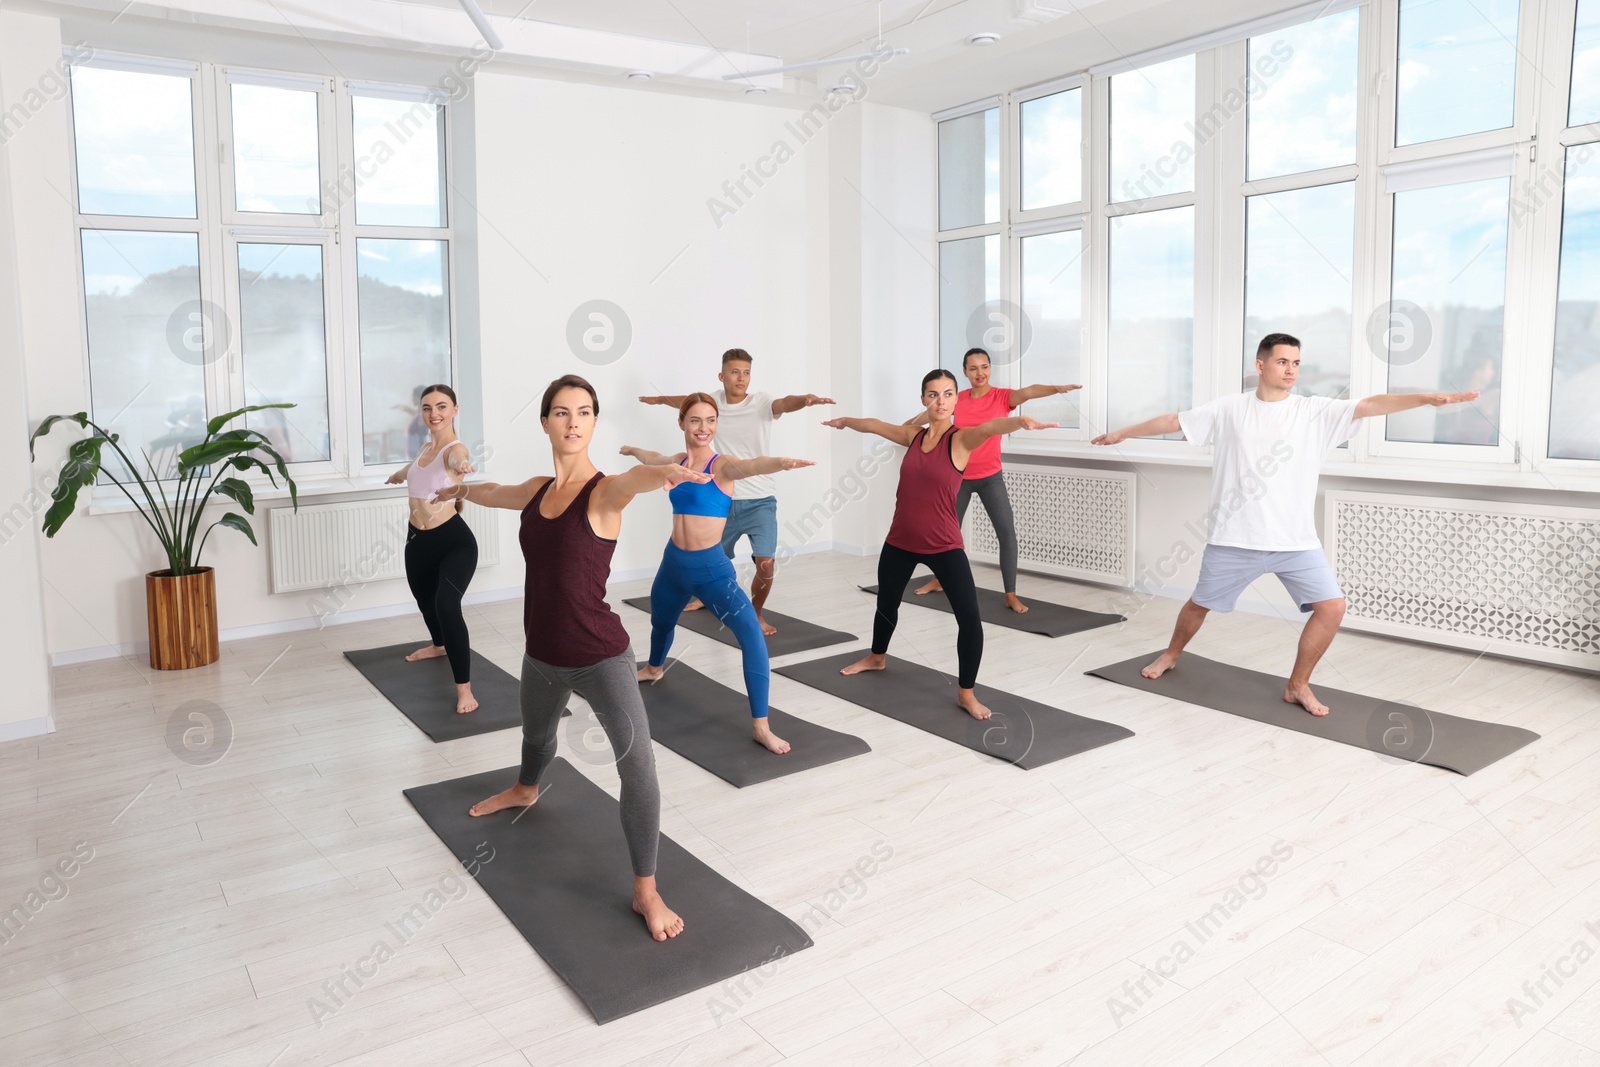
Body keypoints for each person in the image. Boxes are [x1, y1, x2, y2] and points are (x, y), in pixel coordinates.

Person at [435, 374, 708, 941]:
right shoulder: (536, 491)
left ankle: (646, 889)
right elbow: (494, 492)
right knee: (536, 739)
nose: (574, 421)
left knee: (638, 769)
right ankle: (527, 788)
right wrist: (459, 491)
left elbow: (635, 479)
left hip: (600, 655)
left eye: (584, 412)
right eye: (562, 412)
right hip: (541, 653)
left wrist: (663, 473)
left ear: (594, 422)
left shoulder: (603, 491)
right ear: (545, 422)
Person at [1091, 332, 1480, 716]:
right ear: (1260, 365)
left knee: (1332, 607)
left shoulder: (1314, 411)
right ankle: (1172, 654)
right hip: (1235, 538)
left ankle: (1298, 684)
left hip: (1295, 542)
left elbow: (1372, 404)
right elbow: (1173, 420)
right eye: (1282, 361)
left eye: (1296, 363)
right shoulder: (1230, 408)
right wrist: (1123, 432)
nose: (1291, 369)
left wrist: (1427, 399)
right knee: (1199, 605)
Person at [823, 369, 1057, 720]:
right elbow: (874, 424)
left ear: (955, 401)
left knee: (970, 619)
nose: (941, 401)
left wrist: (1020, 421)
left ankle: (966, 693)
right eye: (933, 394)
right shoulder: (912, 437)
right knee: (886, 603)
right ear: (923, 400)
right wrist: (846, 421)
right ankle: (877, 656)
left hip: (944, 544)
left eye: (948, 394)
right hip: (900, 539)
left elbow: (990, 427)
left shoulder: (960, 440)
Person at [621, 394, 815, 755]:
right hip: (673, 563)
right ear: (681, 423)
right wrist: (633, 449)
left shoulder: (721, 465)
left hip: (711, 570)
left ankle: (761, 726)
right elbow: (652, 460)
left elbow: (754, 464)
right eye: (695, 420)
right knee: (661, 622)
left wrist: (782, 462)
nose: (704, 428)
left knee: (752, 638)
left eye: (711, 420)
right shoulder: (677, 462)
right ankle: (654, 668)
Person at [638, 348, 833, 635]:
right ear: (722, 375)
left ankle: (756, 612)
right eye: (734, 371)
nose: (741, 378)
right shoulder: (713, 402)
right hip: (721, 499)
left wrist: (804, 401)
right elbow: (687, 403)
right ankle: (706, 597)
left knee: (765, 564)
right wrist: (659, 399)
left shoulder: (761, 403)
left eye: (746, 372)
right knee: (711, 560)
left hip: (760, 500)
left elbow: (783, 403)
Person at [904, 347, 1081, 613]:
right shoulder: (956, 398)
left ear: (990, 368)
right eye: (973, 368)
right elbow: (925, 416)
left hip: (990, 478)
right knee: (944, 535)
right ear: (964, 372)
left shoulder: (1002, 397)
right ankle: (939, 579)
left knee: (1006, 533)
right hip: (958, 478)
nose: (980, 373)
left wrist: (1058, 388)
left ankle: (1010, 594)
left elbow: (1030, 391)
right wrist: (905, 430)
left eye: (984, 367)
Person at [384, 384, 479, 715]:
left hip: (453, 542)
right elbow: (414, 471)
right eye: (427, 408)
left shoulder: (455, 449)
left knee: (446, 604)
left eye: (441, 406)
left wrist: (464, 467)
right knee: (424, 600)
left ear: (455, 409)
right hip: (417, 540)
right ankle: (439, 646)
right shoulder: (425, 447)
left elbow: (458, 458)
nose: (434, 413)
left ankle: (464, 689)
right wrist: (397, 475)